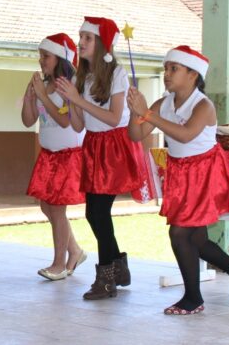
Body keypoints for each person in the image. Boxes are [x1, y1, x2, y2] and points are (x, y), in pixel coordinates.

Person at [128, 45, 229, 314]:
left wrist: (148, 114)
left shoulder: (203, 106)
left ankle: (193, 298)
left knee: (179, 233)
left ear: (193, 75)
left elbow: (185, 135)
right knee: (195, 239)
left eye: (174, 69)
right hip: (181, 173)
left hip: (204, 174)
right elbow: (136, 135)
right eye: (166, 69)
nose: (167, 74)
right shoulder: (163, 103)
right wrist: (135, 111)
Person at [55, 16, 152, 299]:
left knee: (96, 212)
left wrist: (78, 98)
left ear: (102, 44)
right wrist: (71, 100)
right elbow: (78, 125)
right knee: (95, 212)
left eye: (87, 38)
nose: (81, 42)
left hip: (114, 147)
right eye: (80, 37)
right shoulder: (80, 76)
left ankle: (107, 278)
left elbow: (112, 118)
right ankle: (117, 267)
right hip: (94, 146)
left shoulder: (117, 73)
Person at [21, 33, 87, 280]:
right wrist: (30, 97)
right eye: (40, 56)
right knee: (46, 206)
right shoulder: (44, 85)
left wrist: (43, 96)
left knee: (57, 210)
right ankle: (75, 251)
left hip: (68, 156)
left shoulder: (70, 85)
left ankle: (59, 264)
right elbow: (29, 121)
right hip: (48, 156)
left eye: (46, 56)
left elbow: (65, 120)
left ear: (60, 58)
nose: (41, 61)